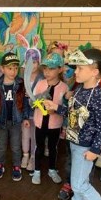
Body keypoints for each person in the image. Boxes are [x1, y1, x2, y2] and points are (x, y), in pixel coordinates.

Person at [53, 48, 101, 200]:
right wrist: (56, 107)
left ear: (95, 71)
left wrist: (95, 150)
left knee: (79, 183)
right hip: (75, 141)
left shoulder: (99, 96)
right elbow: (73, 114)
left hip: (86, 147)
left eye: (80, 68)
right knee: (77, 178)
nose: (76, 72)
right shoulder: (80, 89)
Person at [0, 52, 31, 181]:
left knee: (15, 146)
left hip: (16, 121)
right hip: (0, 122)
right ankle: (0, 164)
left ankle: (16, 166)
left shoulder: (20, 83)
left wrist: (25, 117)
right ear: (2, 68)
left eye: (15, 68)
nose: (13, 71)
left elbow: (25, 102)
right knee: (1, 146)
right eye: (9, 68)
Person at [31, 53, 67, 184]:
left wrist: (56, 109)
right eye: (45, 68)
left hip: (55, 124)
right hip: (40, 123)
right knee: (39, 147)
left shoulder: (64, 87)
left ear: (60, 69)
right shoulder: (40, 84)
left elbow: (65, 108)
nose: (47, 72)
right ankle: (36, 171)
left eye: (51, 69)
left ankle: (52, 169)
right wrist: (37, 103)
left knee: (53, 147)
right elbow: (32, 101)